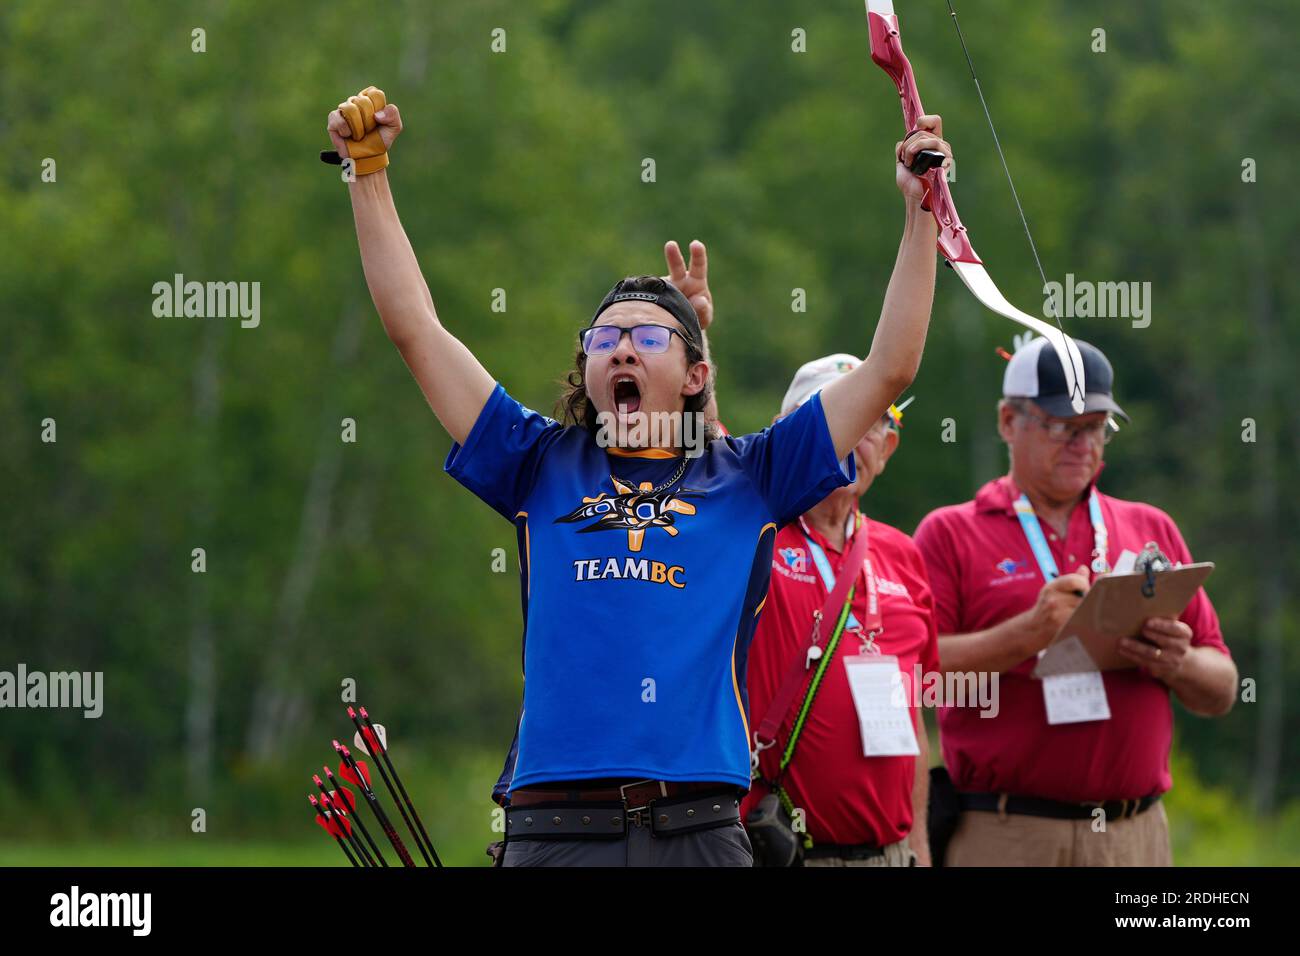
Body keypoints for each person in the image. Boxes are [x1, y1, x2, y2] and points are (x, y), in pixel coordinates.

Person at [326, 85, 949, 866]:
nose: (621, 346)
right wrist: (369, 172)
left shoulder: (751, 474)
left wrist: (922, 210)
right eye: (606, 335)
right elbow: (414, 327)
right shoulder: (537, 462)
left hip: (699, 828)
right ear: (586, 367)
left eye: (647, 337)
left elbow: (891, 367)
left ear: (695, 376)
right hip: (555, 832)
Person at [913, 338, 1238, 866]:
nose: (1083, 444)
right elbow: (920, 677)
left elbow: (1222, 688)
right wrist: (1027, 635)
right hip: (1010, 833)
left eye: (1097, 428)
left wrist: (1177, 662)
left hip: (1136, 835)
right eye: (1063, 426)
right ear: (1006, 421)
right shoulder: (950, 533)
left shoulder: (1150, 528)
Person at [743, 355, 937, 867]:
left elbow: (911, 721)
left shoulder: (904, 555)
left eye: (871, 420)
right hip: (778, 852)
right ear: (787, 438)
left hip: (890, 856)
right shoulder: (752, 534)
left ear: (889, 446)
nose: (852, 434)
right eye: (833, 414)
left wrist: (918, 848)